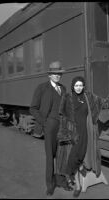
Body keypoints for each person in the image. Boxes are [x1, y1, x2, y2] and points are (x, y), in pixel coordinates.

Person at [56, 76, 109, 197]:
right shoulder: (67, 98)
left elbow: (104, 103)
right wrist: (64, 132)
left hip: (86, 131)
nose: (78, 88)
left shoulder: (89, 96)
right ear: (73, 86)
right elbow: (62, 115)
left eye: (81, 85)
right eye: (76, 85)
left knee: (82, 153)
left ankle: (81, 168)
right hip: (73, 131)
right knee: (74, 155)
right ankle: (75, 183)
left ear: (83, 86)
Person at [30, 61, 73, 196]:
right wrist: (44, 122)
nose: (57, 76)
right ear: (49, 75)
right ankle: (50, 185)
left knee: (62, 156)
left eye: (59, 73)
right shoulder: (42, 88)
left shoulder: (64, 89)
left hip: (63, 127)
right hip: (50, 127)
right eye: (55, 73)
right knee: (50, 157)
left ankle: (61, 181)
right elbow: (33, 108)